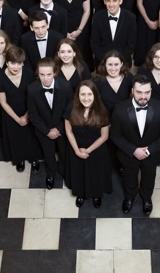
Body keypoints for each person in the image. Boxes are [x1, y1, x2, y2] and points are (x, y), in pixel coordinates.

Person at [110, 75, 160, 215]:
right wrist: (133, 150)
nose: (143, 96)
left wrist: (149, 150)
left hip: (152, 155)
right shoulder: (120, 108)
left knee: (149, 178)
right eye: (139, 92)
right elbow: (115, 135)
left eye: (147, 92)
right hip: (128, 154)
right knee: (129, 178)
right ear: (132, 91)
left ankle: (147, 198)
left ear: (151, 90)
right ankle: (129, 197)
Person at [65, 80, 112, 208]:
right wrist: (76, 150)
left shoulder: (102, 110)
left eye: (89, 94)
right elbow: (68, 131)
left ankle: (96, 194)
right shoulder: (71, 108)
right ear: (78, 95)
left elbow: (104, 136)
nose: (86, 98)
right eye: (83, 94)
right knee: (78, 172)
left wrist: (88, 150)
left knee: (96, 172)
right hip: (76, 146)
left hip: (96, 148)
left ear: (95, 95)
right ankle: (80, 193)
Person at [27, 57, 73, 189]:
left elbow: (70, 109)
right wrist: (47, 131)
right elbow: (33, 115)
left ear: (55, 73)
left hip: (63, 128)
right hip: (43, 129)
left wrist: (58, 129)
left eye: (49, 74)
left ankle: (64, 171)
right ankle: (51, 173)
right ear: (38, 74)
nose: (46, 78)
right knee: (48, 154)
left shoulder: (65, 86)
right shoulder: (32, 89)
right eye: (42, 74)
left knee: (64, 152)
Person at [0, 46, 41, 173]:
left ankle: (33, 158)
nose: (16, 67)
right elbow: (3, 103)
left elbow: (34, 96)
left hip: (29, 109)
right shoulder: (0, 78)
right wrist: (17, 119)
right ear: (7, 62)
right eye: (12, 63)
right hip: (11, 113)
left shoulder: (28, 73)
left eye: (19, 63)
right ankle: (19, 158)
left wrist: (27, 115)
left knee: (31, 136)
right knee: (15, 137)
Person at [93, 50, 134, 174]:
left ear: (122, 64)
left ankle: (121, 166)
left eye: (116, 64)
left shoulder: (129, 79)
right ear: (104, 65)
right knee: (107, 147)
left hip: (124, 121)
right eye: (110, 64)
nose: (113, 68)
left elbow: (133, 102)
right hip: (105, 121)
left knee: (123, 146)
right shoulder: (97, 81)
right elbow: (96, 106)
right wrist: (106, 123)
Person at [55, 0, 93, 69]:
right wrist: (64, 33)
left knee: (83, 57)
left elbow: (87, 11)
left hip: (80, 30)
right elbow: (54, 15)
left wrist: (79, 30)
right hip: (63, 31)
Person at [90, 0, 136, 68]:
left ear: (120, 1)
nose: (111, 4)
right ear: (104, 1)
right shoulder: (98, 17)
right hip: (102, 63)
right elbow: (94, 43)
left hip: (123, 63)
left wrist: (118, 62)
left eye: (114, 1)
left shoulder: (130, 17)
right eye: (108, 1)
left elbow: (131, 44)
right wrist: (106, 61)